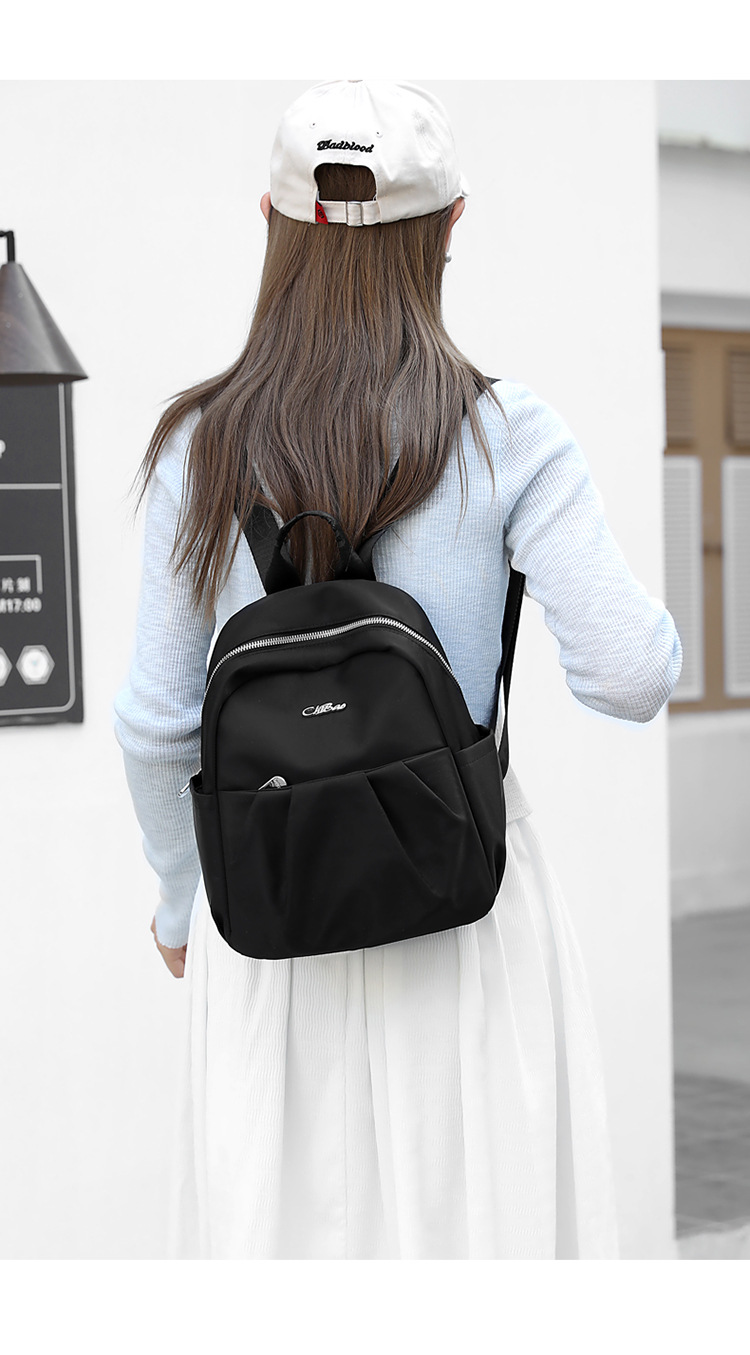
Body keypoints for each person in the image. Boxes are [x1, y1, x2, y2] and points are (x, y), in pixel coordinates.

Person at [114, 79, 682, 1260]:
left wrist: (178, 900)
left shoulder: (197, 447)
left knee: (277, 1248)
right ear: (452, 223)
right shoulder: (507, 433)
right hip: (461, 910)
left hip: (267, 917)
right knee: (479, 1238)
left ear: (269, 221)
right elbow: (629, 674)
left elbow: (157, 724)